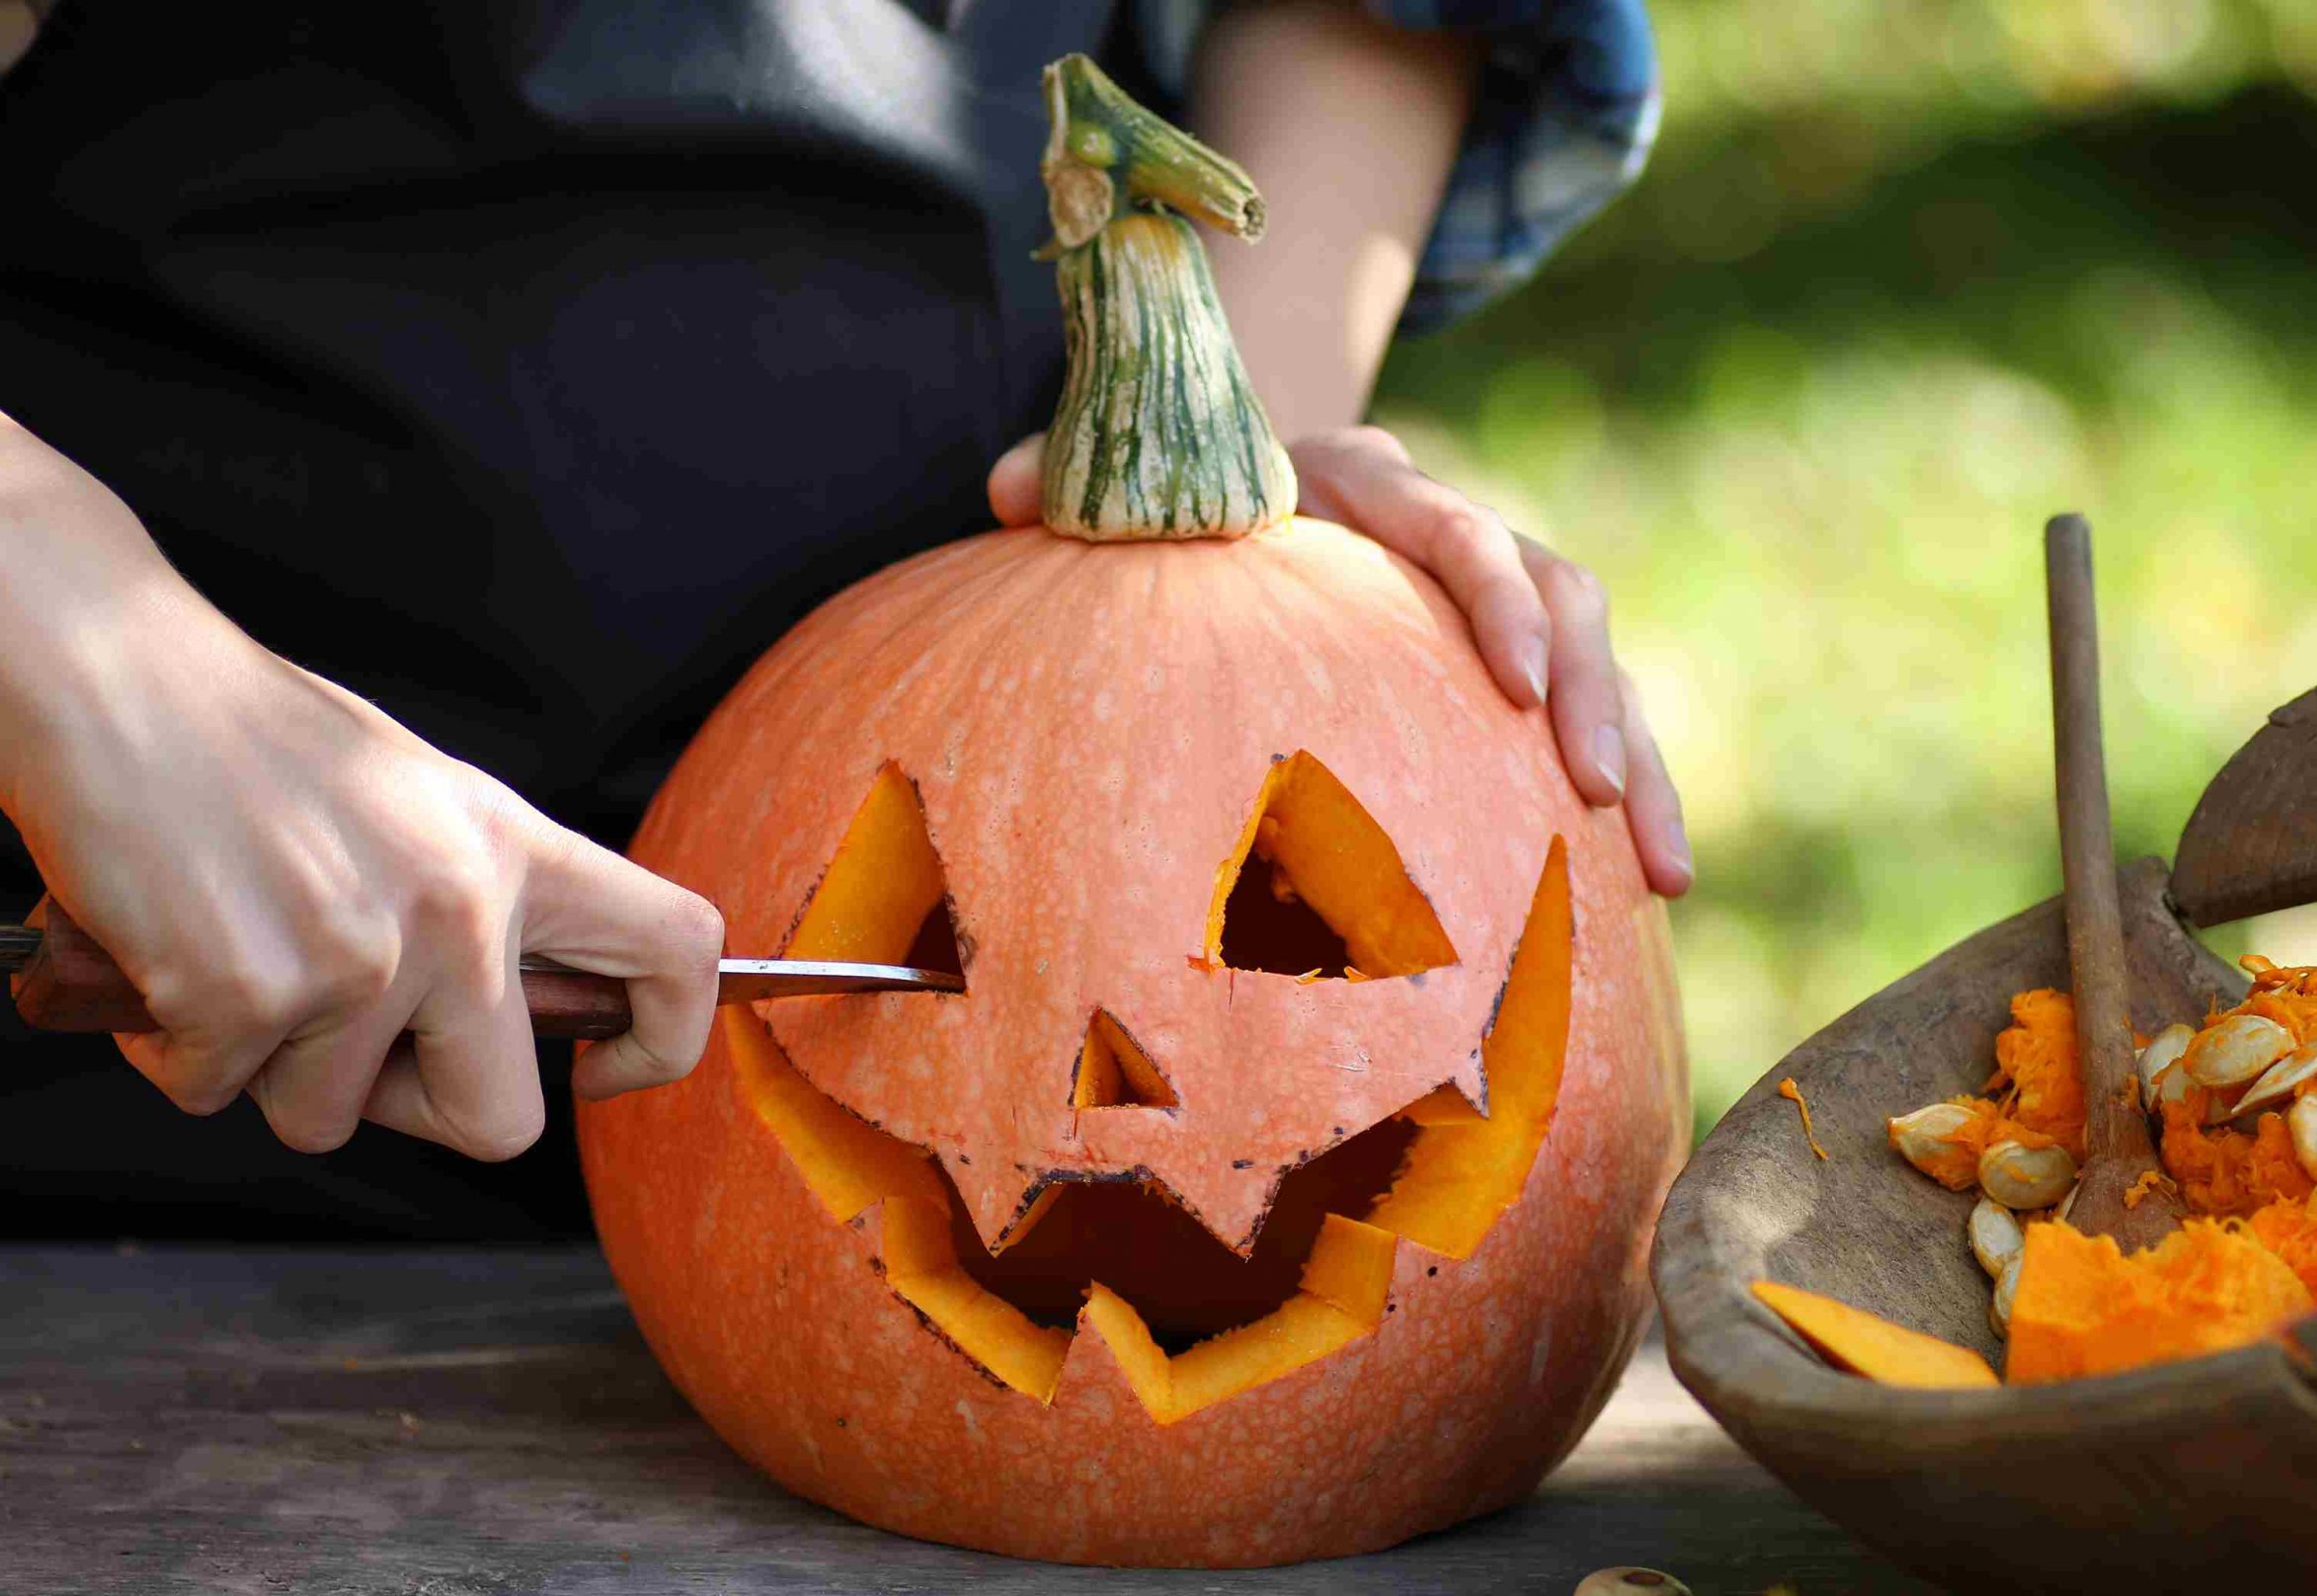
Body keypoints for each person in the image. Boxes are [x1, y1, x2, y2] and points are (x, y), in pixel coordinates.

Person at [0, 0, 1690, 1238]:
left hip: (908, 735)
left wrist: (1230, 446)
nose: (1128, 1068)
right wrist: (90, 641)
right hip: (132, 1101)